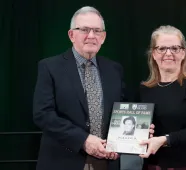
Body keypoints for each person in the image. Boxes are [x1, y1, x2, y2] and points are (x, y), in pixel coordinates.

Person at [33, 6, 126, 170]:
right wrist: (83, 140)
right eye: (84, 30)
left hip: (107, 161)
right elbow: (43, 114)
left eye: (97, 31)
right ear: (71, 35)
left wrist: (122, 141)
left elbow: (121, 112)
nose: (91, 36)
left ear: (103, 37)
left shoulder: (114, 69)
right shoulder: (50, 67)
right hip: (63, 162)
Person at [138, 25, 186, 170]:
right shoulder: (144, 89)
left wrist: (165, 140)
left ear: (183, 53)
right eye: (162, 48)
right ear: (153, 53)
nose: (168, 53)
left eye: (175, 48)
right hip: (153, 165)